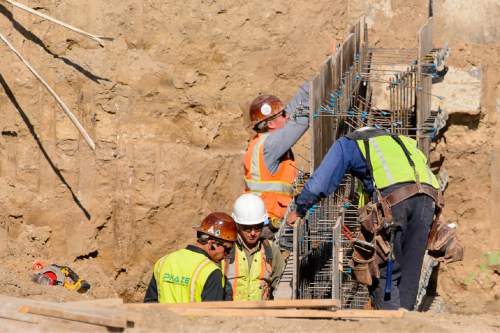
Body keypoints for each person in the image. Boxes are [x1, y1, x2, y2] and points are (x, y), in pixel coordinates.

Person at [287, 127, 441, 310]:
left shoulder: (350, 142)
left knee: (383, 271)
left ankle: (390, 324)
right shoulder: (402, 141)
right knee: (410, 272)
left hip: (395, 203)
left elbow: (318, 185)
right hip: (429, 200)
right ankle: (405, 323)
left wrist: (300, 208)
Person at [244, 82, 309, 234]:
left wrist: (311, 86)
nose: (287, 117)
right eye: (283, 115)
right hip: (267, 225)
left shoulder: (263, 141)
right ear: (271, 123)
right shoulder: (271, 145)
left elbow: (293, 110)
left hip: (264, 220)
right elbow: (301, 122)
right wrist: (325, 92)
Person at [144, 212, 237, 303]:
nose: (227, 255)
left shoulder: (163, 262)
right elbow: (212, 315)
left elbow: (150, 305)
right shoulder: (212, 272)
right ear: (212, 244)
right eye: (227, 249)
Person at [222, 193, 285, 300]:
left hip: (261, 315)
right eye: (247, 228)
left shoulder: (270, 250)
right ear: (237, 225)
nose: (253, 233)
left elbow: (280, 285)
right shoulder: (225, 248)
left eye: (257, 227)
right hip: (230, 315)